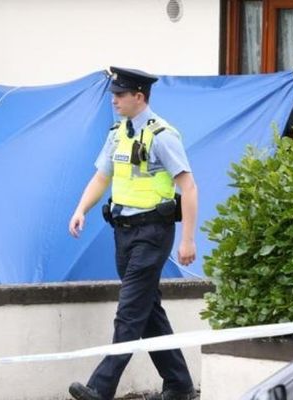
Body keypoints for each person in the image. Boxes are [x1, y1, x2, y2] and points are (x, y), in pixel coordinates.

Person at [67, 67, 198, 400]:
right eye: (114, 94)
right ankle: (179, 385)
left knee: (129, 311)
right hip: (123, 233)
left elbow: (189, 186)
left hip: (153, 232)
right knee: (147, 310)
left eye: (120, 95)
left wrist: (188, 240)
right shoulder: (117, 133)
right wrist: (80, 209)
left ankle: (101, 387)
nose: (114, 100)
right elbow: (101, 177)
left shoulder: (163, 135)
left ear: (139, 96)